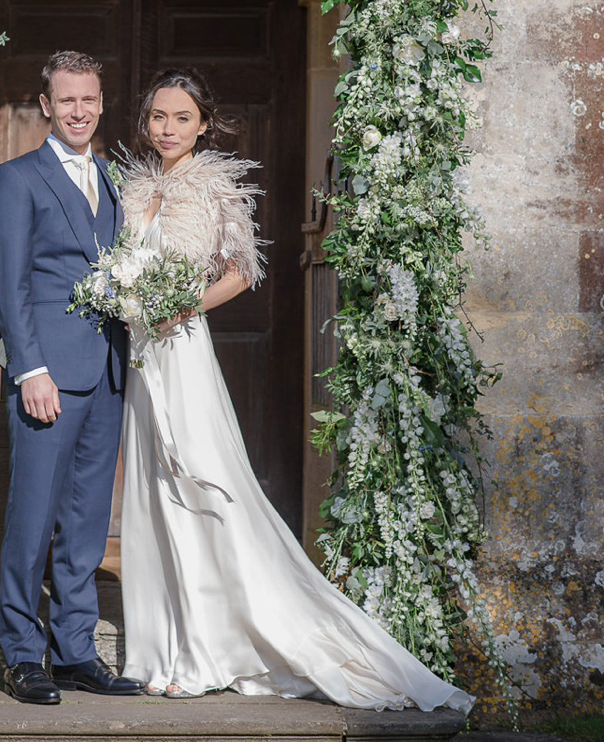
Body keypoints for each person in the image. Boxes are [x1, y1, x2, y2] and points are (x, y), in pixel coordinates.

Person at [117, 66, 474, 713]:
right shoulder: (134, 182)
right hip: (143, 354)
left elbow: (240, 270)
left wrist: (183, 306)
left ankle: (205, 651)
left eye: (180, 117)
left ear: (203, 123)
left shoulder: (216, 182)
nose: (166, 128)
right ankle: (159, 648)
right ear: (145, 122)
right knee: (154, 490)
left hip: (181, 347)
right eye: (157, 117)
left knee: (200, 482)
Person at [0, 50, 144, 704]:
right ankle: (22, 654)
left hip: (105, 369)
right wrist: (30, 369)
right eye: (66, 99)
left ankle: (76, 649)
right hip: (47, 375)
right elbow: (11, 281)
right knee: (32, 517)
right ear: (45, 105)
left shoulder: (109, 176)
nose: (79, 110)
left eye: (89, 99)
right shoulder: (16, 177)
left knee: (84, 521)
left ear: (100, 103)